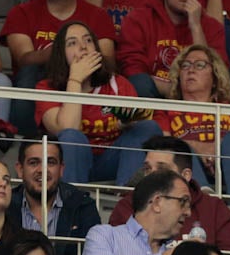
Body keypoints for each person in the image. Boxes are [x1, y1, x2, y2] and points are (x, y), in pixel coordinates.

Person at [7, 0, 117, 133]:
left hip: (86, 87)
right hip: (40, 86)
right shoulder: (21, 12)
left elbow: (108, 61)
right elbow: (23, 60)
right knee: (29, 73)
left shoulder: (97, 16)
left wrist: (75, 65)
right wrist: (61, 51)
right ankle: (27, 143)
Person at [33, 19, 153, 186]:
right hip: (71, 164)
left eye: (88, 40)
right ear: (61, 53)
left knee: (147, 127)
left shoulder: (118, 84)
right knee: (71, 136)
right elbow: (68, 129)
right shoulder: (46, 87)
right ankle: (73, 203)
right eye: (72, 43)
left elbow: (137, 123)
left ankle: (127, 198)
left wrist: (128, 123)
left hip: (110, 161)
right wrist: (75, 79)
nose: (83, 47)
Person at [142, 43, 230, 195]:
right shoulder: (167, 109)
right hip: (189, 166)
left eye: (200, 65)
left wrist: (214, 149)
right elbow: (165, 144)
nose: (191, 70)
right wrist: (198, 148)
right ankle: (201, 193)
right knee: (178, 147)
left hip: (227, 163)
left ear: (215, 74)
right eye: (185, 66)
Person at [119, 0, 228, 98]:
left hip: (197, 101)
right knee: (140, 83)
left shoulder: (210, 26)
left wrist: (196, 27)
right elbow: (133, 72)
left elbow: (215, 76)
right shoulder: (138, 20)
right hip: (153, 96)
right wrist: (178, 91)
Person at [9, 139, 100, 255]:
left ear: (61, 169)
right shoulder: (6, 205)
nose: (42, 170)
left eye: (50, 162)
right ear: (20, 170)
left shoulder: (82, 205)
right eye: (33, 163)